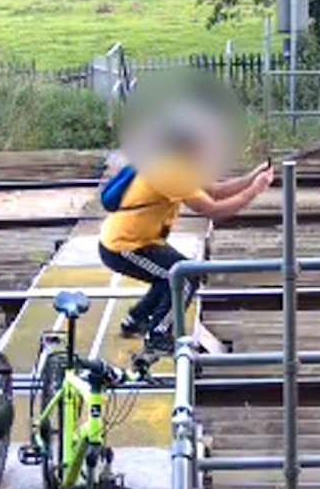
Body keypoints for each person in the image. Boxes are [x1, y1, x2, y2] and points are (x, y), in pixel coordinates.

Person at [98, 138, 273, 352]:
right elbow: (213, 209)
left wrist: (252, 177)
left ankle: (136, 320)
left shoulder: (177, 165)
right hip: (123, 247)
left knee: (170, 273)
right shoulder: (170, 173)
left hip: (142, 241)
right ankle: (158, 335)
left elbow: (215, 191)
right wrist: (253, 191)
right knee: (185, 277)